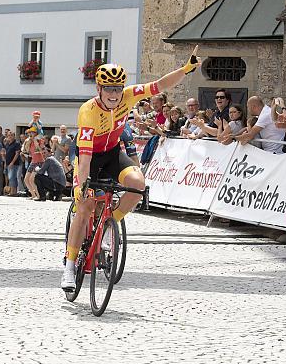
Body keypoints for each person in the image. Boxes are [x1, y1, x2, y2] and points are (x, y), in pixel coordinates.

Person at [62, 47, 201, 291]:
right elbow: (84, 159)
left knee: (138, 184)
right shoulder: (88, 111)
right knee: (84, 207)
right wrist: (81, 185)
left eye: (117, 88)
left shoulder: (128, 96)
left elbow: (159, 85)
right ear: (99, 89)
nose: (114, 94)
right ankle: (70, 267)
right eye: (109, 89)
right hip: (90, 157)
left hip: (114, 153)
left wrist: (186, 69)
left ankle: (108, 224)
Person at [23, 126, 44, 199]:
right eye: (29, 133)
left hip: (39, 161)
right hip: (33, 161)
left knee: (32, 179)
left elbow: (40, 150)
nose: (30, 134)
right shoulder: (29, 141)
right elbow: (27, 150)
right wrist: (28, 142)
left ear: (35, 133)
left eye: (32, 132)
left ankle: (38, 195)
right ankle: (33, 194)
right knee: (26, 179)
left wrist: (35, 141)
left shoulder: (39, 140)